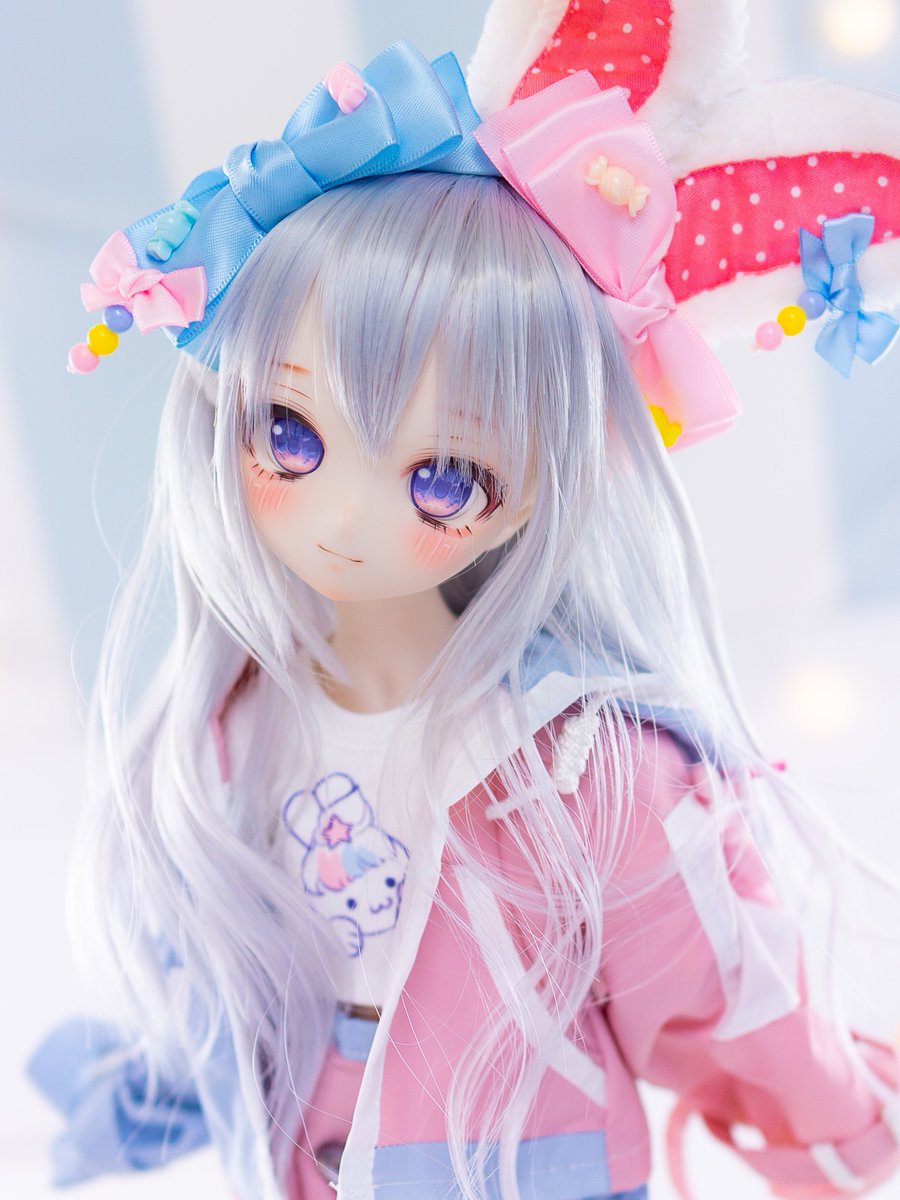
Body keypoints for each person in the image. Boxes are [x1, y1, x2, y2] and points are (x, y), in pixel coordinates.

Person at [29, 12, 900, 1200]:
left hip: (512, 1158)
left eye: (445, 478)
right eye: (290, 433)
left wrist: (837, 1122)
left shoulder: (589, 775)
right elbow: (211, 960)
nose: (344, 519)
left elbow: (714, 995)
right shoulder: (225, 722)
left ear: (542, 484)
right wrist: (177, 1083)